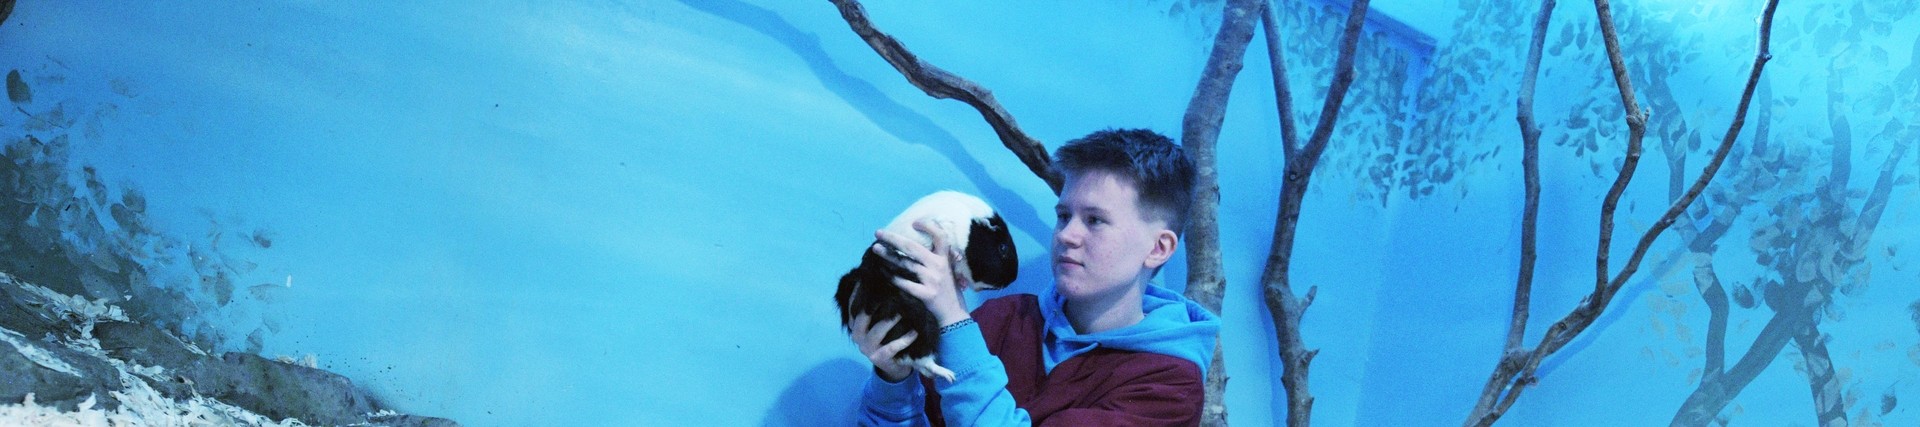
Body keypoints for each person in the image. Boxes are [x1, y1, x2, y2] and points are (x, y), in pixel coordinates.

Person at [851, 128, 1222, 426]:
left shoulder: (1168, 386)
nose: (1066, 235)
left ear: (1158, 248)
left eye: (1095, 220)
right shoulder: (1002, 319)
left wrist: (951, 321)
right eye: (1064, 216)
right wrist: (893, 380)